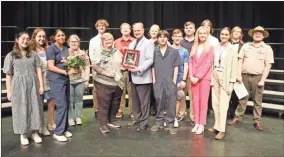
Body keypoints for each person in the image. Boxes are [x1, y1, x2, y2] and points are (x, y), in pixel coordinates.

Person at [229, 26, 274, 131]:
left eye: (260, 33)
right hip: (244, 76)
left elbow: (268, 65)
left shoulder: (267, 48)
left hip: (258, 77)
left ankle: (257, 121)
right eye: (256, 33)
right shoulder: (246, 46)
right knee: (242, 98)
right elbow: (240, 61)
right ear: (252, 35)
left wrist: (263, 80)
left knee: (257, 100)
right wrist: (238, 75)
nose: (257, 35)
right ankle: (237, 117)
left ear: (263, 36)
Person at [3, 32, 44, 145]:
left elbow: (39, 69)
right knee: (21, 108)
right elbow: (8, 74)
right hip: (18, 86)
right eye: (22, 38)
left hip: (33, 84)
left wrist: (41, 85)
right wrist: (9, 91)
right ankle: (24, 133)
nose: (25, 41)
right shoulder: (10, 56)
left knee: (35, 106)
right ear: (17, 40)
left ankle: (35, 132)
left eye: (27, 39)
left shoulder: (34, 54)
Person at [208, 27, 238, 140]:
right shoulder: (216, 47)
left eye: (226, 34)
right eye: (222, 34)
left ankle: (222, 130)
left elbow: (234, 67)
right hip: (215, 75)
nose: (224, 36)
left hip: (225, 77)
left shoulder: (232, 49)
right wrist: (212, 78)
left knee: (223, 105)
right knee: (215, 103)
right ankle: (216, 126)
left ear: (229, 35)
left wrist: (231, 83)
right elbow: (212, 64)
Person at [151, 30, 183, 135]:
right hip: (158, 80)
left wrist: (174, 81)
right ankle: (159, 123)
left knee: (171, 102)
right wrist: (154, 80)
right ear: (158, 39)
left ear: (167, 38)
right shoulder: (154, 51)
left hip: (170, 81)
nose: (162, 39)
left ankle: (170, 124)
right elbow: (152, 67)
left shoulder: (173, 51)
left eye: (164, 37)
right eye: (160, 37)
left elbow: (177, 66)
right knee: (159, 101)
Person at [91, 33, 124, 133]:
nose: (108, 41)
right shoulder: (99, 52)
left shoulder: (117, 51)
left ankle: (112, 120)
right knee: (104, 105)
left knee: (115, 103)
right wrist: (106, 73)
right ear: (102, 42)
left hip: (117, 82)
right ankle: (103, 124)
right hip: (103, 82)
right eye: (106, 40)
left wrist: (123, 67)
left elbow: (122, 63)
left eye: (110, 39)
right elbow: (95, 66)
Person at [127, 22, 154, 132]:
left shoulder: (149, 43)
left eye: (138, 30)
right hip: (133, 77)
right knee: (135, 101)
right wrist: (126, 65)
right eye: (135, 31)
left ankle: (144, 123)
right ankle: (137, 120)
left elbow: (150, 60)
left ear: (143, 30)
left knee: (144, 103)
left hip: (143, 77)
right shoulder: (132, 43)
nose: (136, 32)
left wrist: (139, 69)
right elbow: (129, 58)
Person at [46, 29, 73, 142]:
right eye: (59, 35)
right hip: (56, 80)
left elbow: (68, 63)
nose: (61, 37)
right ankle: (58, 132)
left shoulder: (66, 49)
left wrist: (73, 68)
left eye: (63, 35)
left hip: (65, 80)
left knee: (66, 104)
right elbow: (50, 66)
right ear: (54, 37)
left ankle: (64, 128)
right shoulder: (51, 48)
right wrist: (64, 72)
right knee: (61, 105)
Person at [188, 26, 214, 135]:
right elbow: (190, 62)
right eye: (200, 33)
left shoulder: (211, 47)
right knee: (195, 101)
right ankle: (196, 122)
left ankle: (202, 124)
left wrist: (198, 77)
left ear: (207, 35)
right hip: (193, 78)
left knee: (203, 102)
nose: (202, 35)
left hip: (204, 78)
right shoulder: (194, 47)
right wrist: (191, 76)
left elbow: (207, 64)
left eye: (204, 33)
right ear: (197, 35)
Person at [30, 28, 54, 135]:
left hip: (49, 79)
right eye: (39, 36)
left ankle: (51, 123)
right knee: (38, 105)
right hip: (37, 80)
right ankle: (41, 126)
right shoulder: (31, 51)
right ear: (34, 37)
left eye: (43, 36)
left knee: (51, 103)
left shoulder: (47, 49)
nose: (42, 38)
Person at [67, 35, 90, 126]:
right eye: (71, 41)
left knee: (79, 99)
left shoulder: (83, 53)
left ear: (79, 43)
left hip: (80, 80)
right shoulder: (65, 52)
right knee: (70, 100)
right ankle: (70, 117)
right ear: (68, 43)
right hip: (68, 80)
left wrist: (87, 80)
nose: (73, 43)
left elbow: (87, 66)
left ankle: (78, 116)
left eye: (75, 41)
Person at [114, 23, 135, 119]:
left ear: (130, 30)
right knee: (120, 91)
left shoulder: (135, 41)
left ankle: (132, 111)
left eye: (127, 28)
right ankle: (120, 110)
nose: (125, 30)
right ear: (121, 30)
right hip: (120, 70)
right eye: (123, 28)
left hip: (131, 71)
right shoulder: (116, 42)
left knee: (132, 92)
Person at [89, 19, 109, 119]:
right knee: (96, 89)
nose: (101, 27)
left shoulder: (109, 38)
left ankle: (105, 109)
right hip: (97, 67)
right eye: (99, 25)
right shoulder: (93, 40)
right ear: (96, 27)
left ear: (106, 27)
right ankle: (97, 109)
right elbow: (91, 54)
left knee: (106, 88)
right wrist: (97, 65)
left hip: (107, 67)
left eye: (103, 25)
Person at [171, 29, 189, 128]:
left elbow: (186, 66)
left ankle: (174, 118)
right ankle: (168, 117)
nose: (177, 38)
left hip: (179, 79)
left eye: (179, 36)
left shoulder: (184, 51)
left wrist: (184, 79)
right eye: (175, 36)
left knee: (178, 98)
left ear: (182, 38)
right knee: (168, 99)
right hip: (168, 78)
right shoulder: (168, 49)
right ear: (172, 37)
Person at [180, 21, 196, 125]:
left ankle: (193, 116)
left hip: (193, 74)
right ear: (184, 30)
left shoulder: (197, 41)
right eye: (186, 28)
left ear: (194, 29)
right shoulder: (180, 42)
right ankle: (181, 113)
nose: (188, 29)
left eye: (190, 28)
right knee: (181, 95)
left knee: (192, 96)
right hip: (181, 73)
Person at [228, 26, 244, 119]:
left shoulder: (243, 46)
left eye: (239, 32)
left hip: (237, 71)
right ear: (232, 33)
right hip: (227, 71)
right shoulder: (226, 44)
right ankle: (225, 112)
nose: (237, 33)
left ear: (241, 34)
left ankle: (233, 112)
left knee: (235, 94)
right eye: (235, 31)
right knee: (226, 93)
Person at [148, 24, 161, 116]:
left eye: (156, 31)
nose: (154, 32)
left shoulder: (162, 41)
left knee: (158, 89)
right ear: (149, 32)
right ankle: (148, 108)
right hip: (148, 69)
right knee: (149, 90)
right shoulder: (146, 42)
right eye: (152, 30)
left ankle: (157, 108)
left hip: (159, 69)